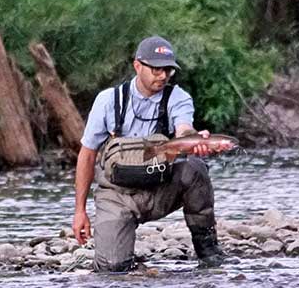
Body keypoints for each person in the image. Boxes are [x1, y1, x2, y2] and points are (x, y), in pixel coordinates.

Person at [70, 35, 223, 271]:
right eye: (156, 69)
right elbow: (87, 154)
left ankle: (208, 250)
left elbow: (184, 129)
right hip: (117, 195)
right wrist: (79, 211)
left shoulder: (178, 97)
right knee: (112, 269)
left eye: (168, 70)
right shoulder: (107, 100)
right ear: (137, 65)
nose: (162, 76)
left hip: (160, 187)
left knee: (194, 168)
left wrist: (194, 140)